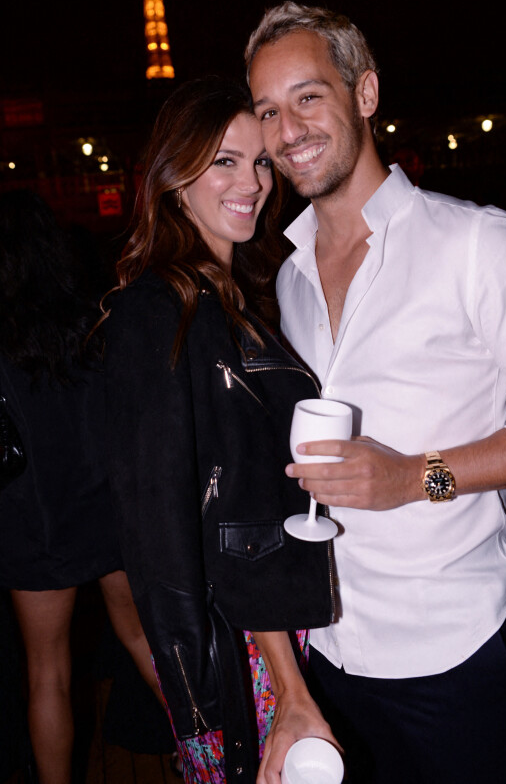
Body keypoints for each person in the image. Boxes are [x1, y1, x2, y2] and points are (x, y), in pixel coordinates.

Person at [244, 1, 506, 784]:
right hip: (327, 648)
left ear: (364, 93)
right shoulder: (287, 274)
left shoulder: (472, 242)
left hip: (453, 653)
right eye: (267, 109)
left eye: (307, 96)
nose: (286, 128)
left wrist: (415, 477)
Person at [102, 77, 335, 784]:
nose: (253, 181)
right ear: (175, 178)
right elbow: (169, 523)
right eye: (224, 161)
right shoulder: (161, 311)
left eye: (260, 161)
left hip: (268, 632)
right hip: (244, 650)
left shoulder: (235, 297)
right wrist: (212, 684)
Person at [0, 190, 161, 784]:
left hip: (31, 517)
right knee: (146, 639)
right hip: (107, 508)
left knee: (48, 672)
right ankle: (214, 757)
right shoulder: (94, 319)